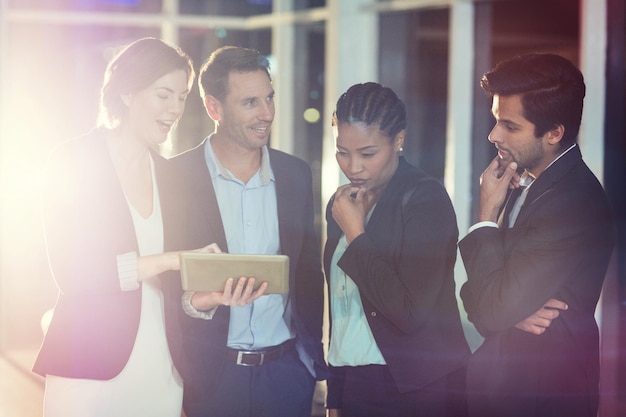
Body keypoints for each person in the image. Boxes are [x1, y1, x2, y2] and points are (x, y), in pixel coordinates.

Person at [32, 37, 205, 417]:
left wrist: (207, 296)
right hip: (87, 366)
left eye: (182, 96)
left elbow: (177, 288)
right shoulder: (71, 162)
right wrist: (162, 260)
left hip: (161, 371)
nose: (175, 108)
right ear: (127, 92)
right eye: (164, 94)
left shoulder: (173, 178)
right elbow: (72, 274)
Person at [160, 45, 327, 417]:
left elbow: (307, 273)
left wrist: (308, 362)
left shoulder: (296, 174)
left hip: (287, 376)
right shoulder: (174, 178)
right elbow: (166, 285)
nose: (266, 114)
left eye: (269, 98)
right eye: (250, 102)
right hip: (211, 377)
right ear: (214, 108)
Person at [459, 53, 615, 417]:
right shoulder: (522, 182)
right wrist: (506, 309)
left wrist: (486, 217)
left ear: (554, 133)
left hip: (542, 398)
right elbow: (479, 299)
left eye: (510, 126)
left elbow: (491, 306)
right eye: (496, 120)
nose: (493, 134)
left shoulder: (572, 203)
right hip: (502, 391)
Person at [323, 82, 470, 417]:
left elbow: (409, 313)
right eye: (342, 152)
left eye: (368, 153)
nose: (353, 167)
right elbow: (343, 309)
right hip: (357, 386)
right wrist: (336, 397)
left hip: (417, 389)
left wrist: (356, 234)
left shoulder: (425, 199)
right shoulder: (342, 203)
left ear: (398, 141)